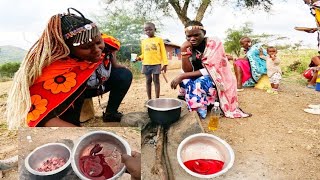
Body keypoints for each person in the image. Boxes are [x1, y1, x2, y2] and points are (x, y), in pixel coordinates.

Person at [6, 8, 132, 129]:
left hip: (97, 85)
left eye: (98, 42)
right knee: (73, 92)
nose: (97, 50)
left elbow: (110, 46)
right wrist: (79, 134)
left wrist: (115, 64)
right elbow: (43, 117)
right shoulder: (54, 70)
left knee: (124, 74)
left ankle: (110, 113)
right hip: (72, 94)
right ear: (66, 48)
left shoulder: (93, 40)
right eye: (87, 47)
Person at [170, 21, 250, 119]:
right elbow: (187, 71)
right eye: (189, 36)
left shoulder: (213, 43)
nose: (192, 39)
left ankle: (200, 110)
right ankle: (194, 100)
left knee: (198, 83)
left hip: (217, 77)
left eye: (196, 35)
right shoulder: (187, 46)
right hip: (199, 74)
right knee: (185, 80)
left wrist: (183, 75)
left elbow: (212, 70)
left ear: (204, 33)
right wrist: (183, 51)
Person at [136, 22, 168, 100]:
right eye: (146, 30)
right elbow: (144, 54)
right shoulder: (143, 41)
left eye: (150, 29)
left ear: (155, 29)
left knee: (156, 80)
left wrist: (165, 64)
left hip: (156, 64)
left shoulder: (159, 40)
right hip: (146, 64)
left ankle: (157, 99)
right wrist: (138, 58)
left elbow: (163, 52)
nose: (148, 31)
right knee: (148, 81)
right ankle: (149, 99)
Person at [302, 0, 320, 89]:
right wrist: (316, 29)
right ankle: (312, 84)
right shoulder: (315, 7)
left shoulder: (317, 5)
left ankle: (312, 84)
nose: (304, 2)